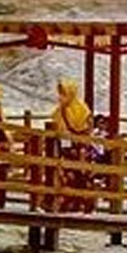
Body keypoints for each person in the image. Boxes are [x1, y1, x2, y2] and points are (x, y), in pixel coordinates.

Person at [52, 79, 95, 214]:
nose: (60, 97)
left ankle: (84, 206)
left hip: (80, 150)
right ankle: (67, 205)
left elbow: (87, 128)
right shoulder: (58, 111)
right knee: (66, 178)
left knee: (82, 178)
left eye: (64, 93)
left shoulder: (82, 110)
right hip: (65, 150)